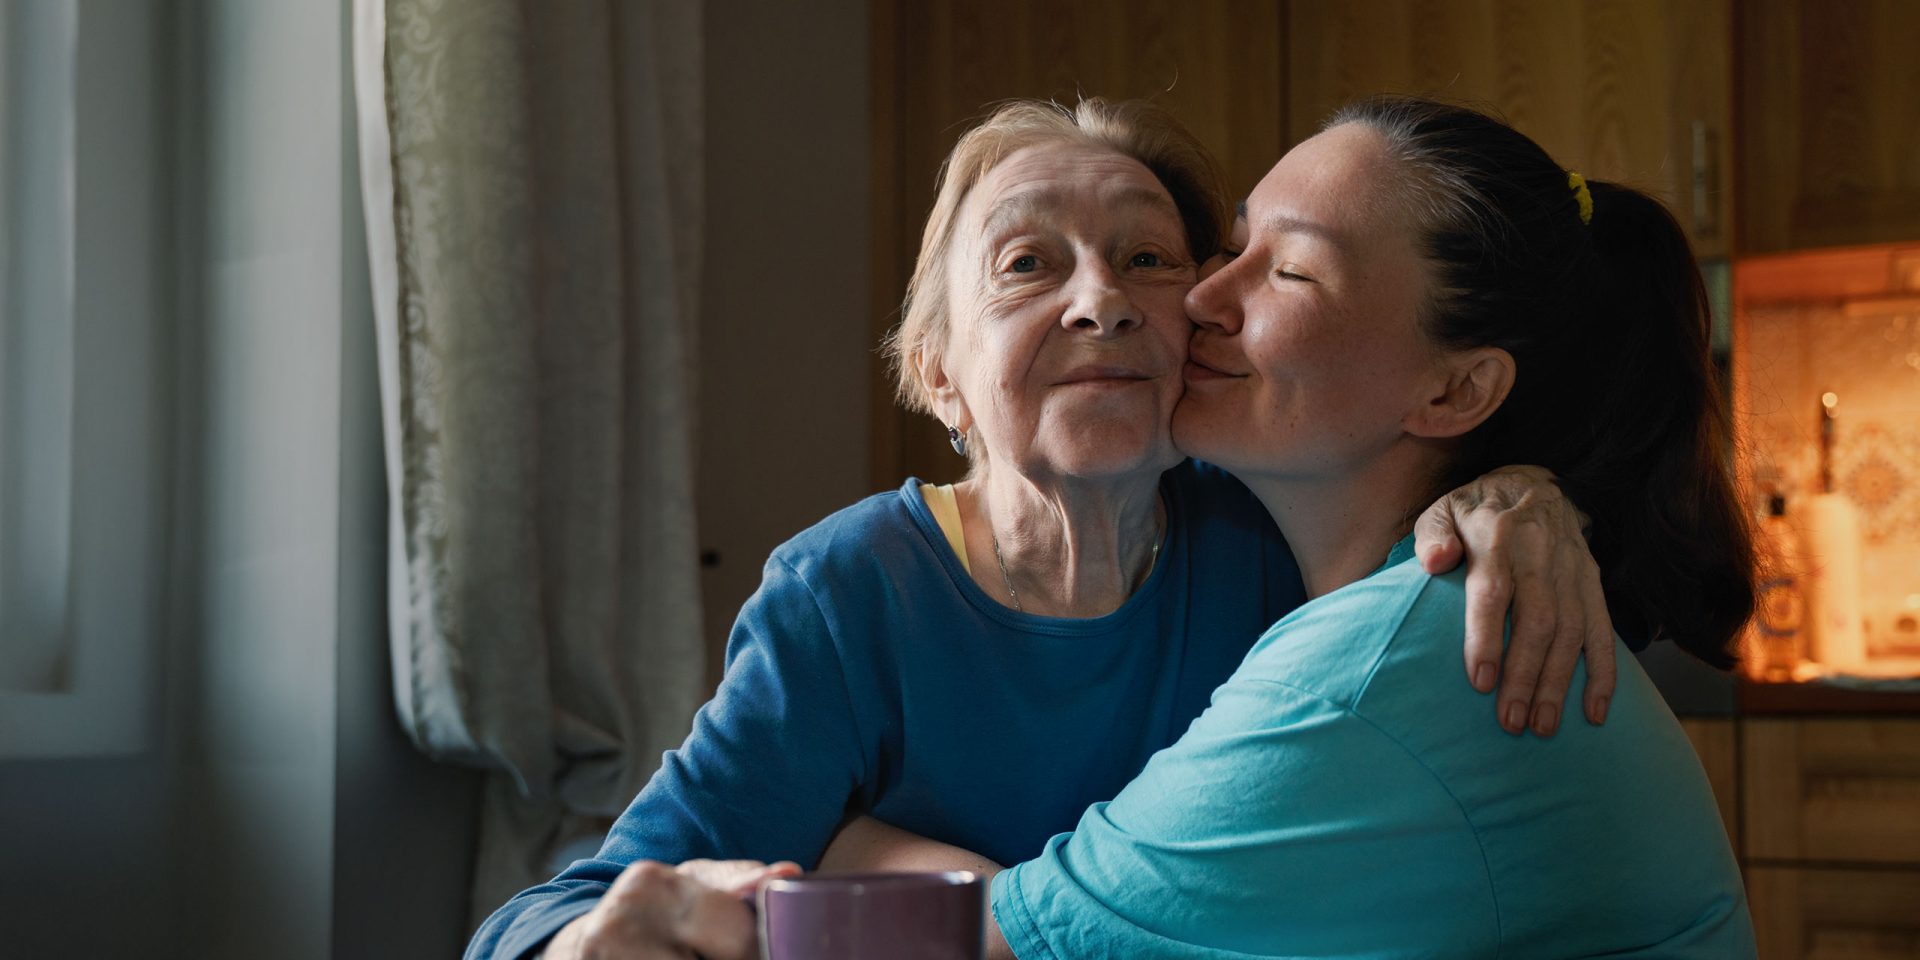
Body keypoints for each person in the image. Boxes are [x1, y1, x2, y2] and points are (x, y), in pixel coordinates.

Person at [468, 99, 1614, 960]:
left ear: (1201, 329)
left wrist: (1516, 488)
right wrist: (581, 945)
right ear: (939, 373)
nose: (1100, 301)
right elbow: (557, 913)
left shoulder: (1274, 536)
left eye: (1148, 259)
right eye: (1027, 264)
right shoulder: (850, 593)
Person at [986, 96, 1757, 958]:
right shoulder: (1401, 588)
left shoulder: (1390, 664)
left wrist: (864, 842)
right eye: (1235, 247)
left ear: (1455, 391)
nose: (1204, 295)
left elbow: (991, 944)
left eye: (1291, 273)